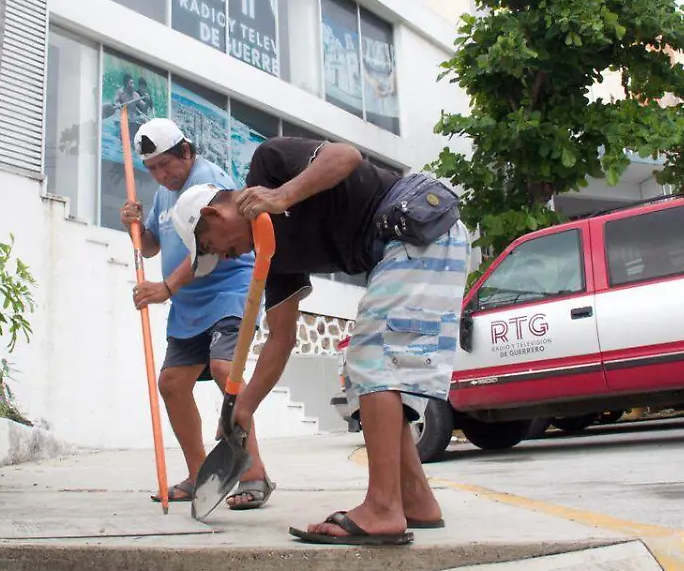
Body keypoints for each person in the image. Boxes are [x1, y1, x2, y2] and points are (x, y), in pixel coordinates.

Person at [169, 136, 470, 546]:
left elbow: (347, 155)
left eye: (209, 247)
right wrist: (243, 408)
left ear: (213, 214)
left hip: (415, 224)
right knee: (380, 372)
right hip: (414, 244)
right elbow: (280, 339)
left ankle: (383, 509)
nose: (222, 257)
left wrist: (281, 196)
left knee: (372, 362)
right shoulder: (270, 260)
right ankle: (416, 499)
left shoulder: (268, 166)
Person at [120, 117, 275, 511]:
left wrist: (165, 288)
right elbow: (153, 248)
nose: (161, 174)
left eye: (167, 164)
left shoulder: (209, 181)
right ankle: (198, 475)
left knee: (226, 369)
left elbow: (207, 250)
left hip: (229, 288)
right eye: (152, 168)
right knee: (171, 383)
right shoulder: (163, 194)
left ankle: (254, 473)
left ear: (186, 152)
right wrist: (136, 227)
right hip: (190, 303)